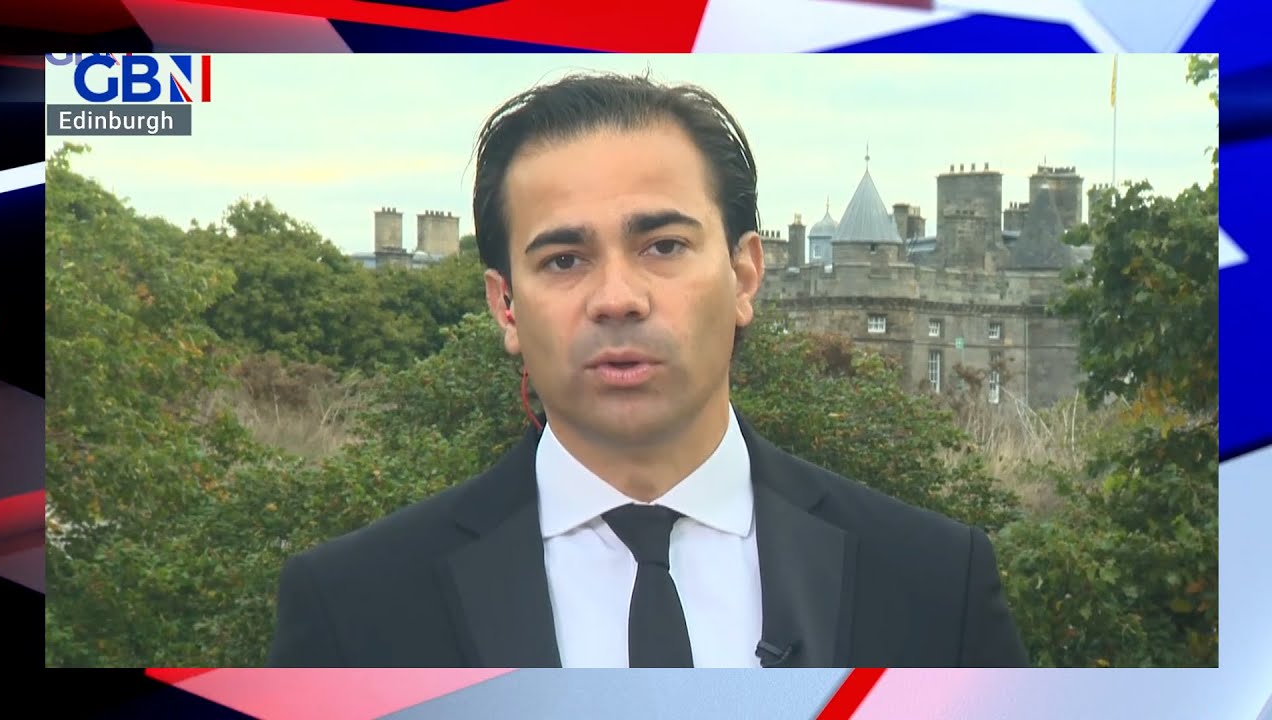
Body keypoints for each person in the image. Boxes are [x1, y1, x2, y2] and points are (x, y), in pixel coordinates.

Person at [267, 72, 1029, 668]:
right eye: (564, 259)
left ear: (745, 275)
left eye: (663, 246)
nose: (618, 299)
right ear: (504, 306)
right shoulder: (355, 608)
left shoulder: (933, 582)